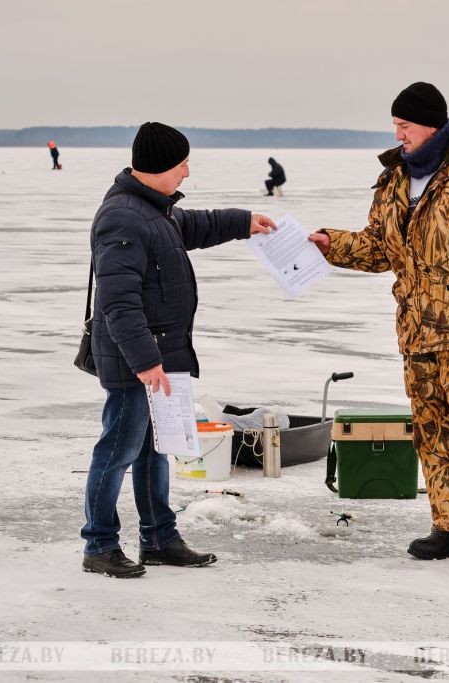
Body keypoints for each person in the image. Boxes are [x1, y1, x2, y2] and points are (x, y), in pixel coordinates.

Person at [308, 82, 449, 571]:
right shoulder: (395, 178)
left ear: (432, 125)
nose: (398, 134)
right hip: (417, 329)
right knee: (434, 430)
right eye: (395, 125)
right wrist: (333, 244)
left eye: (405, 125)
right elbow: (380, 248)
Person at [82, 121, 276, 578]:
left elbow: (193, 225)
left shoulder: (153, 210)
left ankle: (159, 539)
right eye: (182, 164)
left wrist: (242, 222)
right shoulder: (123, 217)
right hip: (137, 363)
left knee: (155, 451)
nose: (187, 172)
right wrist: (146, 361)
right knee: (117, 451)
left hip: (158, 358)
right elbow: (117, 300)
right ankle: (100, 545)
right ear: (158, 167)